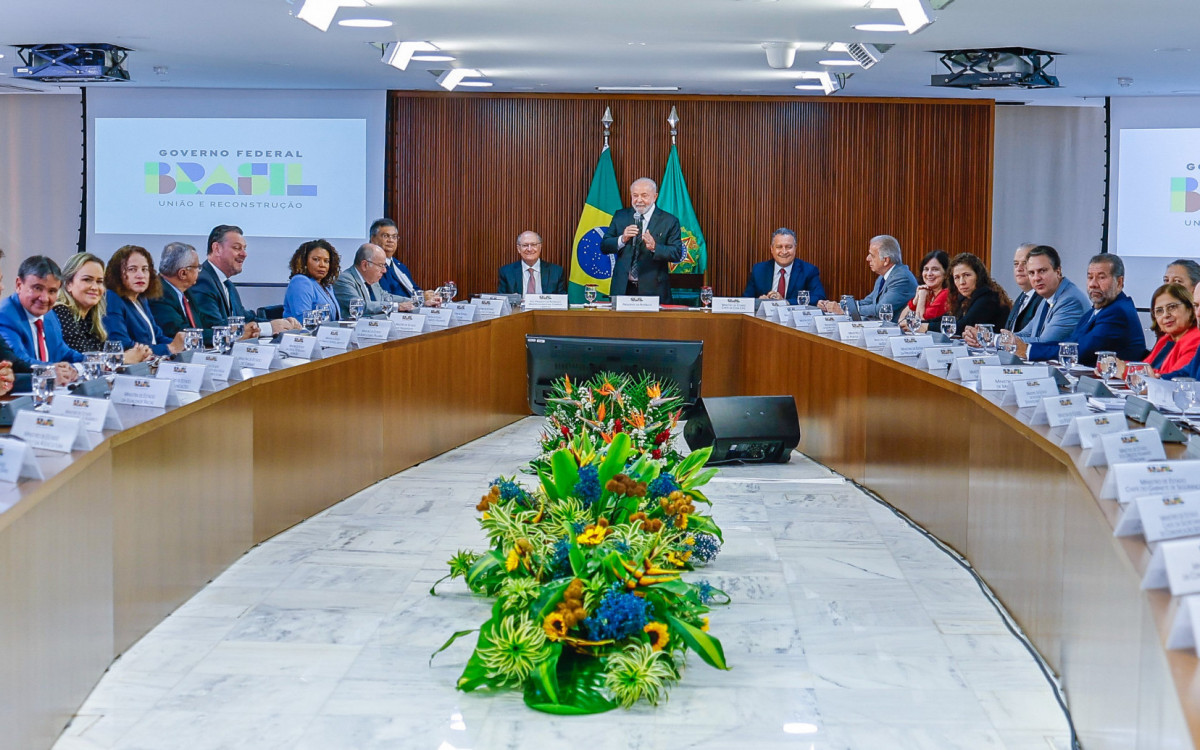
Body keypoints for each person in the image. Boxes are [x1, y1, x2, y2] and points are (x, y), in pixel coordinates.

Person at [1018, 253, 1145, 366]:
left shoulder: (1118, 312)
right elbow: (1068, 344)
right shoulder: (1094, 312)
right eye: (1090, 277)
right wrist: (1028, 348)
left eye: (1101, 277)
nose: (1093, 284)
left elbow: (1081, 351)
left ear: (1119, 282)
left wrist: (1028, 350)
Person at [189, 224, 300, 339]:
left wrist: (282, 324)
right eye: (237, 248)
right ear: (217, 249)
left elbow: (246, 318)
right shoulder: (202, 281)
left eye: (244, 248)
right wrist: (269, 328)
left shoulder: (227, 284)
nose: (244, 254)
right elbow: (216, 328)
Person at [52, 252, 152, 363]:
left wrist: (140, 353)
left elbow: (103, 353)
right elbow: (82, 357)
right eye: (87, 280)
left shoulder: (91, 317)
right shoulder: (60, 311)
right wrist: (122, 359)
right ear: (68, 284)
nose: (95, 287)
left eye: (99, 282)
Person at [0, 255, 83, 384]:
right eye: (37, 288)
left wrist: (90, 362)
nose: (44, 298)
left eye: (52, 291)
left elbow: (63, 351)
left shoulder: (49, 315)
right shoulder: (5, 315)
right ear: (18, 285)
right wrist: (50, 371)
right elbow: (17, 362)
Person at [601, 177, 683, 304]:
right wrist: (622, 239)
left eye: (644, 195)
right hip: (623, 289)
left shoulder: (669, 221)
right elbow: (604, 246)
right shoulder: (620, 216)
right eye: (635, 195)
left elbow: (677, 253)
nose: (639, 200)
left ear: (655, 196)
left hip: (654, 290)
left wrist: (655, 247)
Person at [995, 245, 1088, 347]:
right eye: (1031, 273)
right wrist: (994, 338)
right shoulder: (1047, 297)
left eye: (1042, 271)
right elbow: (1027, 333)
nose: (1036, 278)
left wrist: (1001, 341)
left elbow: (1044, 343)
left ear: (1058, 271)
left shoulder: (1070, 301)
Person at [103, 245, 187, 356]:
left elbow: (157, 337)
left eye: (145, 269)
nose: (140, 275)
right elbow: (122, 345)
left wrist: (183, 344)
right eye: (132, 269)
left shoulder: (141, 298)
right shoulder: (112, 298)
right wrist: (169, 348)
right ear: (117, 273)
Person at [816, 235, 917, 318]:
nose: (867, 258)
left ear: (886, 260)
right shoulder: (884, 276)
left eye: (872, 255)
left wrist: (844, 310)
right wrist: (836, 306)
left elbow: (881, 309)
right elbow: (867, 301)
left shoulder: (901, 278)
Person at [1128, 284, 1200, 378]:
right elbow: (1146, 368)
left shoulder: (1195, 339)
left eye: (1172, 307)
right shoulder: (1166, 340)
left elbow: (1179, 380)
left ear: (1189, 309)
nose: (1165, 315)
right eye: (1159, 311)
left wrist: (1125, 370)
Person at [742, 228, 826, 304]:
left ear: (795, 248)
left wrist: (785, 302)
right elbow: (746, 300)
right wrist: (758, 302)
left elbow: (819, 296)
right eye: (779, 247)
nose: (784, 251)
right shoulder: (759, 270)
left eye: (788, 247)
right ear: (772, 249)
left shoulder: (808, 271)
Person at [333, 243, 413, 319]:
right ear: (364, 265)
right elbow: (361, 306)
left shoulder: (371, 279)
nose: (384, 270)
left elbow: (385, 297)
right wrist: (396, 306)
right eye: (381, 265)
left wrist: (414, 301)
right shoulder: (344, 280)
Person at [149, 242, 204, 340]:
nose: (199, 271)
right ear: (183, 273)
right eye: (197, 267)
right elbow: (180, 332)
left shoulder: (187, 292)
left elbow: (200, 326)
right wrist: (225, 335)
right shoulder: (159, 294)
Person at [946, 252, 1010, 331]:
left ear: (978, 276)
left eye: (967, 275)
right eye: (957, 277)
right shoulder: (964, 298)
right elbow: (948, 318)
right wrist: (926, 323)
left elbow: (963, 326)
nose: (962, 282)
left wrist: (928, 327)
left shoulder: (988, 297)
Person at [283, 239, 343, 321]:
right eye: (316, 259)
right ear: (304, 262)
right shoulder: (300, 282)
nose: (322, 265)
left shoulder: (327, 286)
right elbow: (303, 320)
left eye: (326, 261)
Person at [370, 218, 425, 300]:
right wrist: (419, 299)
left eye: (394, 237)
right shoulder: (371, 266)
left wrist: (427, 295)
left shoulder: (400, 267)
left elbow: (414, 289)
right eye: (385, 236)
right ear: (373, 239)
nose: (391, 240)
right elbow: (385, 296)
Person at [498, 231, 567, 295]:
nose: (529, 249)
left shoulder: (556, 272)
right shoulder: (506, 272)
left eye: (533, 245)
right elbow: (503, 301)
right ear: (518, 249)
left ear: (540, 247)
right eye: (525, 245)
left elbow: (562, 301)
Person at [896, 250, 950, 331]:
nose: (929, 274)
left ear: (946, 273)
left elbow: (919, 324)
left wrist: (921, 297)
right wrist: (915, 300)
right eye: (926, 269)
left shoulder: (946, 293)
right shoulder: (929, 292)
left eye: (935, 269)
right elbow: (901, 320)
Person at [1004, 242, 1042, 333]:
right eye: (1016, 264)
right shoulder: (1021, 298)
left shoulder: (1043, 299)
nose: (1019, 268)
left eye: (1024, 263)